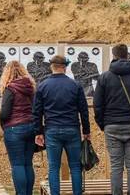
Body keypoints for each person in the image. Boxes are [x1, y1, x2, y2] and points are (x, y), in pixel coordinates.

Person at [93, 44, 130, 195]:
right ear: (127, 56)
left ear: (113, 57)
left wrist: (104, 124)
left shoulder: (104, 77)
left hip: (111, 126)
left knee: (115, 167)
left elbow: (98, 105)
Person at [33, 55, 91, 195]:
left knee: (53, 167)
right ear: (65, 68)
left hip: (52, 130)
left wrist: (38, 132)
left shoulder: (42, 86)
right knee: (76, 166)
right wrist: (86, 131)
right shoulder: (75, 85)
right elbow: (83, 110)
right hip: (72, 129)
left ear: (51, 67)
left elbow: (36, 112)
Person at [0, 61, 37, 195]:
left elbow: (5, 113)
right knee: (28, 164)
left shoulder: (10, 89)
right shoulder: (30, 88)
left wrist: (1, 121)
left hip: (14, 129)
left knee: (17, 165)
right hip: (31, 127)